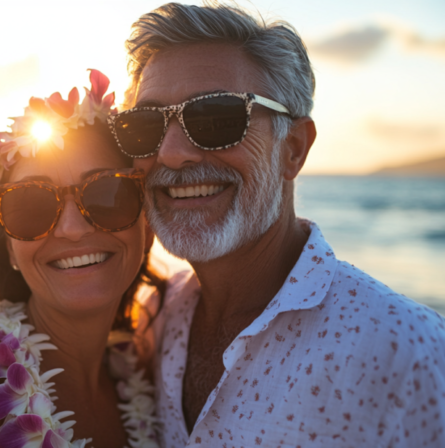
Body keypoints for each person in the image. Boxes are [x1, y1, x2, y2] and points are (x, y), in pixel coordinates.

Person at [107, 3, 445, 447]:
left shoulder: (410, 351)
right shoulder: (156, 320)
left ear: (294, 149)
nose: (172, 154)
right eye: (145, 125)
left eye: (216, 119)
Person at [0, 70, 165, 448]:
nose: (72, 228)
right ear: (8, 246)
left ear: (147, 223)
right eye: (31, 204)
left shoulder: (153, 379)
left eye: (107, 192)